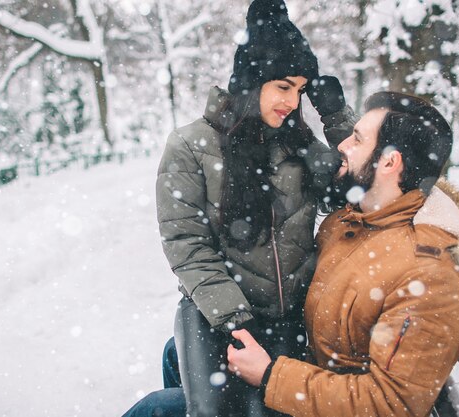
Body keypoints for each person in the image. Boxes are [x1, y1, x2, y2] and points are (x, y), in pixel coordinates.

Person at [125, 0, 355, 416]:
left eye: (300, 90)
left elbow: (360, 183)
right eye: (283, 86)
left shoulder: (298, 145)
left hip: (289, 321)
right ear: (251, 82)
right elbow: (187, 245)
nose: (291, 101)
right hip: (222, 317)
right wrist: (235, 322)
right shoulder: (191, 146)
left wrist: (335, 115)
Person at [225, 91, 459, 417]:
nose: (343, 145)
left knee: (159, 407)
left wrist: (270, 375)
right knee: (179, 354)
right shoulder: (350, 222)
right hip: (312, 387)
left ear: (390, 162)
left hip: (322, 402)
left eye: (357, 139)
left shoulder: (430, 277)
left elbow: (391, 404)